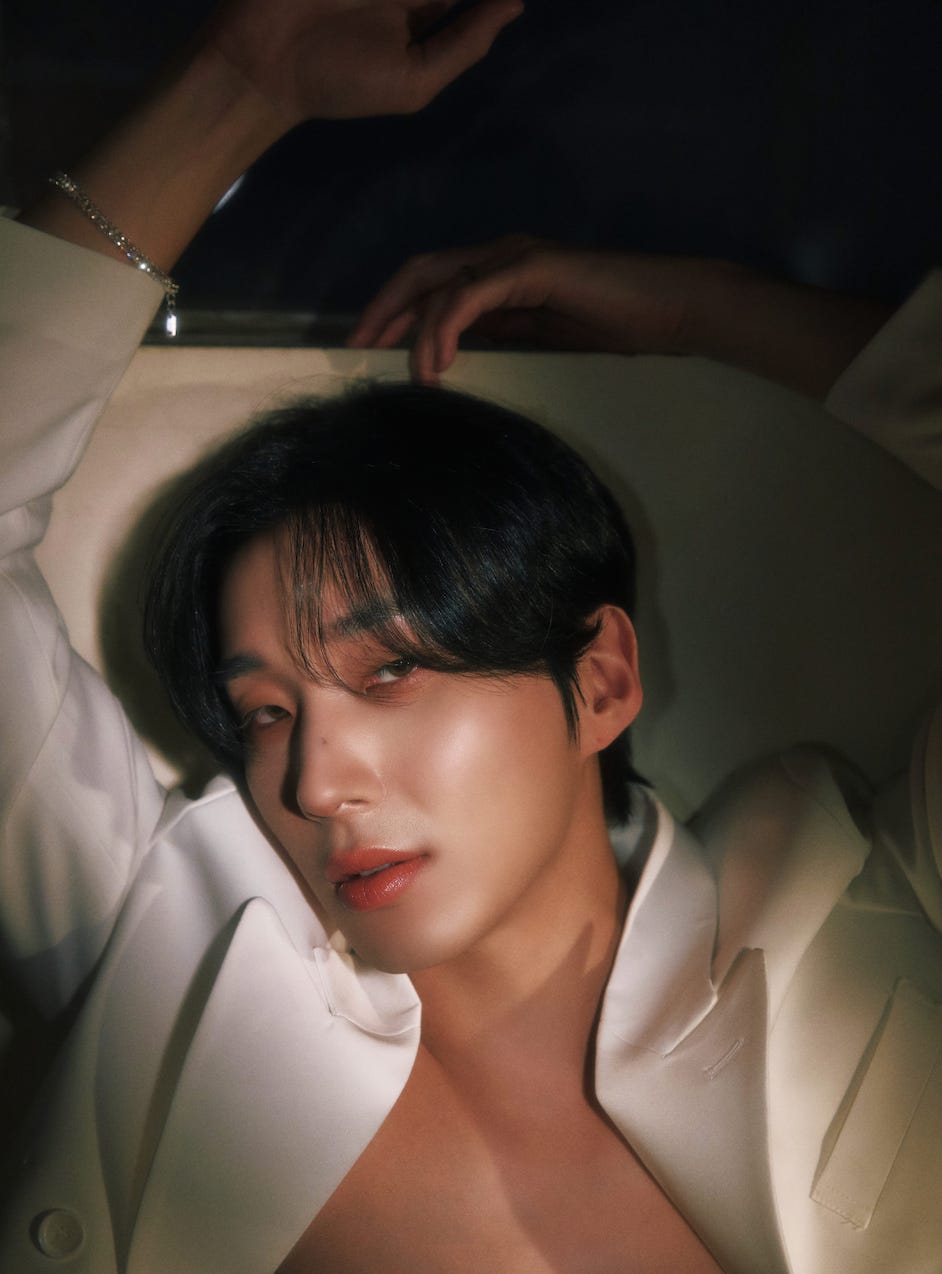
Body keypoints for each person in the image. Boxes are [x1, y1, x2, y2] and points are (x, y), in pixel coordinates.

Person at [1, 4, 940, 1272]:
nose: (314, 781)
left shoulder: (867, 904)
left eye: (388, 669)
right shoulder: (162, 950)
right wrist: (235, 83)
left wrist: (695, 317)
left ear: (600, 678)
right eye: (267, 710)